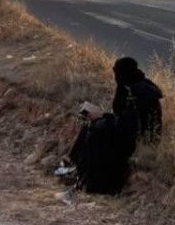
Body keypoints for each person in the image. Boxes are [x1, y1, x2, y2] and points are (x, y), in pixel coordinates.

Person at [63, 57, 164, 194]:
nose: (115, 77)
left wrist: (103, 118)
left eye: (117, 73)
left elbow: (126, 126)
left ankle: (91, 182)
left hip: (137, 140)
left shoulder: (135, 92)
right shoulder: (136, 85)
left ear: (124, 73)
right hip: (133, 134)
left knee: (94, 131)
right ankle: (76, 169)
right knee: (91, 126)